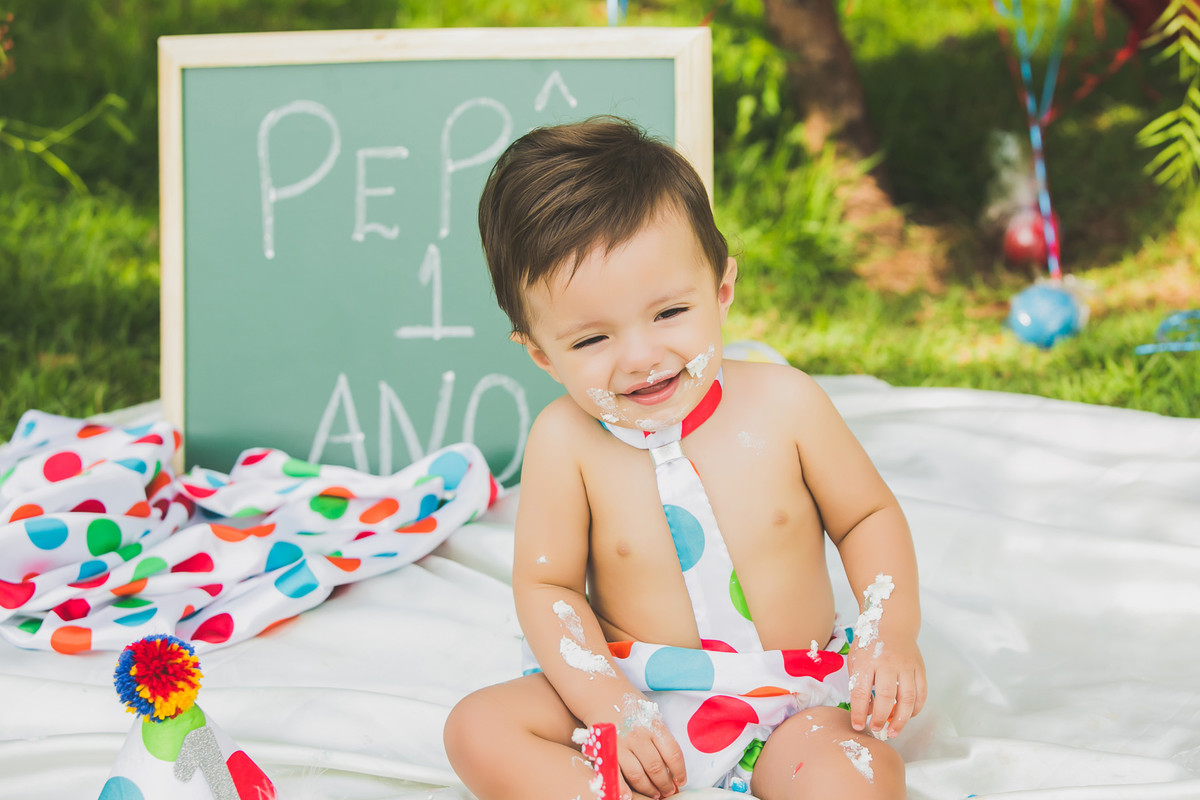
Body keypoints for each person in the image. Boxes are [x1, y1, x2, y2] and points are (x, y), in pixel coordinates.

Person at [444, 116, 925, 800]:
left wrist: (889, 632)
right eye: (591, 341)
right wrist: (611, 704)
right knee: (477, 730)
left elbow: (866, 516)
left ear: (722, 290)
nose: (641, 357)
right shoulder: (565, 442)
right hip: (634, 688)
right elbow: (547, 589)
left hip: (788, 697)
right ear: (541, 353)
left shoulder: (785, 405)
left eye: (669, 313)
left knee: (858, 776)